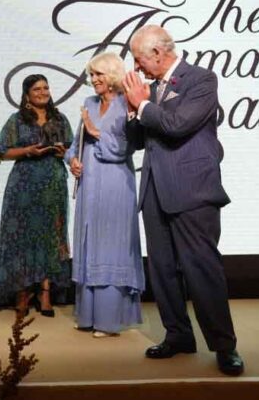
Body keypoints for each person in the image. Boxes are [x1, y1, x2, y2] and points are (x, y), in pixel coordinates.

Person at [124, 25, 243, 375]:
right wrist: (134, 113)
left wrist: (141, 104)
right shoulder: (152, 89)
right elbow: (138, 141)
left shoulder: (201, 80)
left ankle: (224, 346)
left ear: (159, 53)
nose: (137, 66)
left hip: (193, 190)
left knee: (202, 270)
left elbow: (177, 125)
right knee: (162, 271)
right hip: (155, 191)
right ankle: (178, 335)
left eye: (140, 58)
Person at [65, 52, 145, 337]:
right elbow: (77, 143)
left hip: (115, 185)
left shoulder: (127, 104)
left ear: (112, 76)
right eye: (92, 74)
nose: (93, 79)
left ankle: (110, 321)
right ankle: (88, 315)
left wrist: (96, 133)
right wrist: (73, 160)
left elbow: (127, 149)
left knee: (111, 246)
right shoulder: (89, 103)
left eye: (98, 74)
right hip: (89, 186)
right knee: (89, 244)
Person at [0, 74, 73, 318]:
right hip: (23, 187)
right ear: (26, 94)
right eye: (37, 89)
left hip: (53, 186)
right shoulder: (17, 120)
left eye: (46, 87)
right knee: (22, 238)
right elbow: (1, 152)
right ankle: (22, 292)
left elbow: (72, 149)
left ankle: (45, 292)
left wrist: (62, 152)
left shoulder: (60, 119)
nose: (43, 92)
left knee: (49, 238)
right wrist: (27, 150)